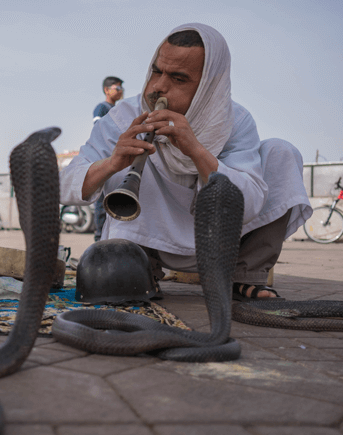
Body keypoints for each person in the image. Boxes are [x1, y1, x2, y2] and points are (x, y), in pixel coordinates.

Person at [60, 23, 313, 301]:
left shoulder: (236, 121)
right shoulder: (123, 117)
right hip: (147, 242)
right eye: (157, 71)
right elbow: (66, 185)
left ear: (209, 85)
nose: (158, 87)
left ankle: (245, 275)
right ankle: (142, 270)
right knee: (124, 166)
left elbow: (250, 203)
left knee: (282, 152)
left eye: (178, 79)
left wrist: (196, 150)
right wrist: (112, 163)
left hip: (222, 243)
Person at [92, 76, 125, 242]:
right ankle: (99, 240)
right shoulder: (102, 108)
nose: (120, 91)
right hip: (106, 160)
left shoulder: (119, 111)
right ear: (107, 90)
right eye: (117, 88)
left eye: (121, 89)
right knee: (103, 201)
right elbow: (100, 133)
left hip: (117, 161)